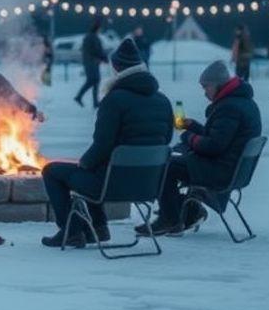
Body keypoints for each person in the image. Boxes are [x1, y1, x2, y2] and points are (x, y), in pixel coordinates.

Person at [41, 38, 173, 248]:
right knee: (97, 167)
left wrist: (83, 163)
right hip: (149, 184)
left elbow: (102, 145)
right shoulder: (163, 100)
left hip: (113, 184)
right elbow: (166, 141)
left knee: (52, 171)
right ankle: (99, 228)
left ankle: (71, 231)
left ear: (116, 68)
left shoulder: (114, 100)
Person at [138, 59, 262, 236]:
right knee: (178, 157)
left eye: (206, 87)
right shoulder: (242, 103)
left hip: (221, 171)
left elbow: (213, 146)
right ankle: (187, 210)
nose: (204, 93)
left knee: (166, 166)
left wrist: (189, 137)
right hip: (232, 168)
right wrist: (194, 126)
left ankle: (170, 219)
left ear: (218, 85)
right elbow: (223, 138)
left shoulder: (229, 108)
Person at [74, 19, 108, 108]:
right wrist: (104, 58)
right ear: (97, 28)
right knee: (93, 80)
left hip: (90, 62)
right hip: (92, 62)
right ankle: (79, 96)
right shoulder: (94, 38)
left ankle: (95, 102)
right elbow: (97, 50)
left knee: (95, 81)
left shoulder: (88, 37)